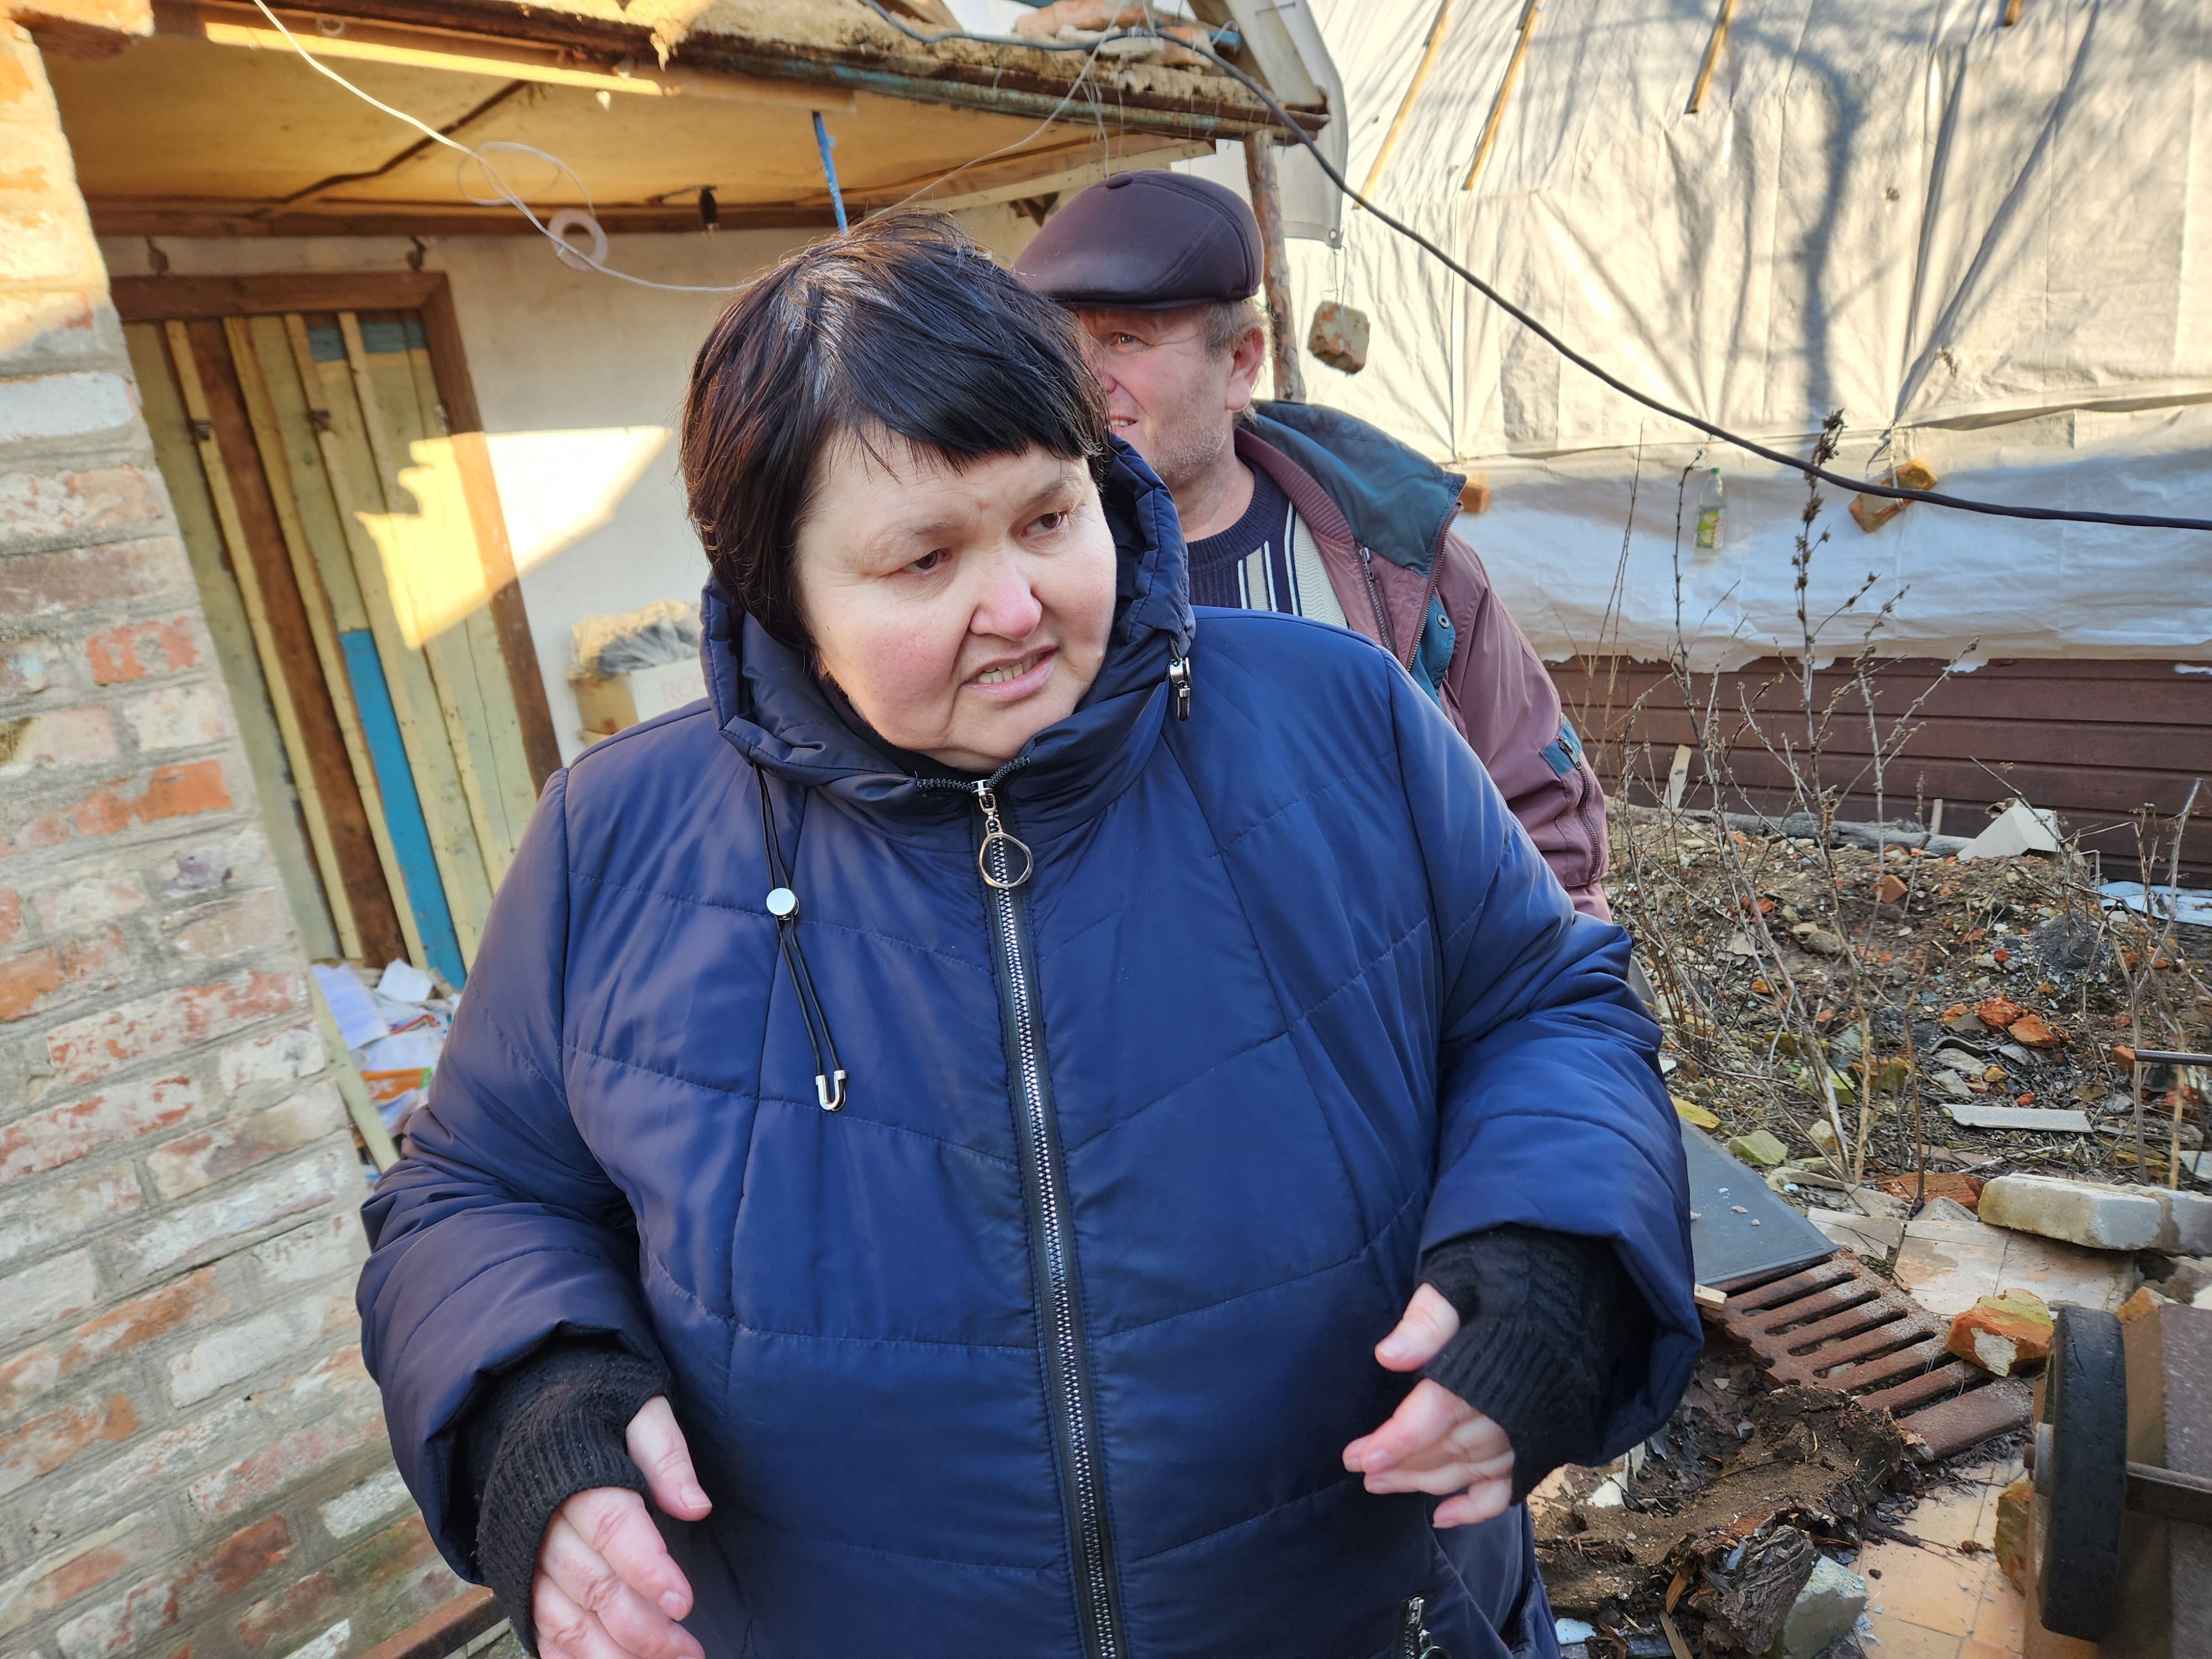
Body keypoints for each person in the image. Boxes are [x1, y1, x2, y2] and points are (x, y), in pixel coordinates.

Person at [358, 215, 1695, 1659]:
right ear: (782, 593)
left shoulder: (1342, 721)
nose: (1017, 606)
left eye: (1049, 519)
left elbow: (1549, 1011)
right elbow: (473, 1197)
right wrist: (535, 1413)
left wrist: (1555, 1266)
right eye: (923, 560)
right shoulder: (613, 844)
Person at [1014, 171, 1613, 919]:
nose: (1085, 379)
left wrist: (1559, 1017)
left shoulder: (1391, 558)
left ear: (1240, 364)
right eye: (1062, 347)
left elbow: (1538, 821)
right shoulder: (1017, 586)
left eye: (1123, 339)